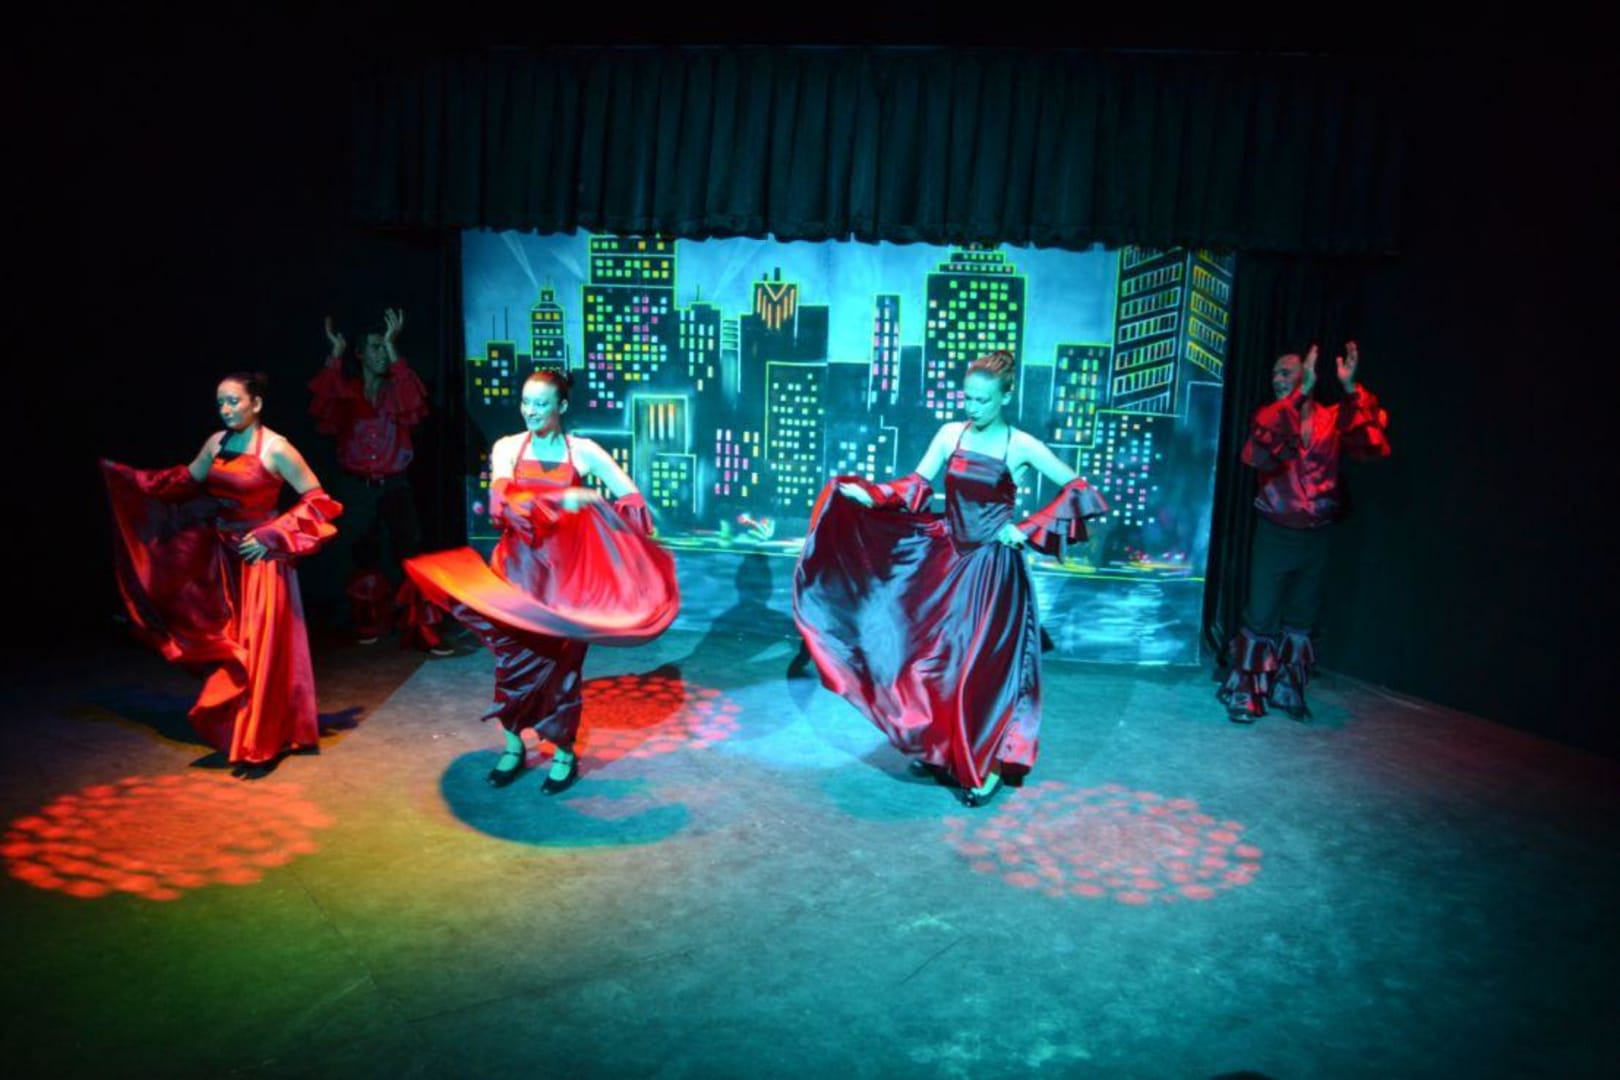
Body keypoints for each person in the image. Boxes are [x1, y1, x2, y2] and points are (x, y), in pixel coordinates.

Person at [792, 351, 1108, 807]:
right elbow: (917, 484)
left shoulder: (1021, 445)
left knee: (980, 671)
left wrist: (1025, 528)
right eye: (968, 398)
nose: (973, 408)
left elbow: (1080, 490)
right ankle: (939, 745)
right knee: (934, 661)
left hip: (993, 572)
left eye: (983, 400)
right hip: (948, 561)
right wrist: (872, 494)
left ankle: (985, 765)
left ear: (1006, 396)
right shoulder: (950, 434)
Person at [403, 370, 680, 793]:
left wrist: (619, 535)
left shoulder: (584, 451)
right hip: (517, 576)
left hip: (568, 583)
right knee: (511, 663)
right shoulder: (507, 448)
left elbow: (630, 498)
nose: (530, 411)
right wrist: (566, 498)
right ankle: (514, 745)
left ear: (561, 407)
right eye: (526, 402)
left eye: (541, 403)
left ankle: (564, 752)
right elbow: (503, 501)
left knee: (563, 670)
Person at [101, 372, 343, 776]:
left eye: (234, 401)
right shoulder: (217, 443)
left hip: (261, 561)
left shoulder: (277, 448)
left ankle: (261, 740)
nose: (226, 409)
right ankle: (242, 729)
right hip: (221, 559)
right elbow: (182, 483)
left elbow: (318, 500)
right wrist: (131, 481)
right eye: (221, 403)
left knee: (259, 650)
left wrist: (273, 534)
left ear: (256, 404)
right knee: (229, 645)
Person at [1218, 341, 1391, 722]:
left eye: (1286, 373)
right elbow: (1260, 448)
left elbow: (1368, 439)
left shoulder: (1331, 419)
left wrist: (1350, 387)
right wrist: (1299, 395)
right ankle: (1246, 692)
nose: (1277, 380)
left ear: (1306, 375)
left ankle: (1287, 689)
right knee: (1261, 613)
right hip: (1276, 532)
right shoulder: (1273, 418)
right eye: (1274, 374)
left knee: (1302, 616)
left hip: (1317, 534)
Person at [309, 308, 448, 653]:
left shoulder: (396, 390)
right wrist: (335, 355)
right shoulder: (348, 391)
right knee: (364, 555)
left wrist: (392, 344)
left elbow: (413, 397)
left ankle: (422, 629)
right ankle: (371, 620)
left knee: (411, 555)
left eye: (384, 348)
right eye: (375, 347)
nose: (382, 354)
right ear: (359, 353)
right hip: (357, 487)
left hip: (395, 484)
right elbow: (326, 399)